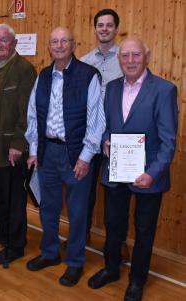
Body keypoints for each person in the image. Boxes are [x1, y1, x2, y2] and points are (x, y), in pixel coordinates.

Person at [88, 37, 178, 301]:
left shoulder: (164, 90)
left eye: (136, 55)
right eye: (125, 56)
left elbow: (168, 140)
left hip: (148, 176)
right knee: (113, 225)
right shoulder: (112, 88)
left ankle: (137, 280)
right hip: (116, 172)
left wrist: (153, 173)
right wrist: (105, 139)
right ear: (119, 59)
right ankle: (111, 268)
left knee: (144, 230)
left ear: (146, 56)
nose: (130, 61)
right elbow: (108, 125)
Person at [25, 27, 105, 287]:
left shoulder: (88, 75)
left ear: (73, 44)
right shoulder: (44, 76)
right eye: (54, 42)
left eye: (64, 41)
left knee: (78, 211)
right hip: (48, 152)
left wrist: (85, 157)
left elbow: (96, 121)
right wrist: (34, 150)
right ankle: (49, 253)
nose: (59, 45)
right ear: (49, 47)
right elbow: (33, 115)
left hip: (76, 155)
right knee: (47, 207)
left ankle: (75, 262)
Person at [0, 23, 37, 265]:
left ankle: (16, 245)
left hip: (10, 145)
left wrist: (18, 143)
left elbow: (27, 112)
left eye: (4, 40)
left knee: (13, 198)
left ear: (14, 43)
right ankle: (3, 231)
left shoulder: (24, 69)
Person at [80, 8, 129, 261]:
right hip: (90, 137)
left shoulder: (127, 59)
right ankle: (82, 233)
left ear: (116, 29)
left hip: (116, 138)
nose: (104, 29)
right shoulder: (86, 61)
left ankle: (117, 242)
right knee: (84, 191)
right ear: (95, 28)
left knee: (116, 194)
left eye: (109, 25)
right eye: (100, 25)